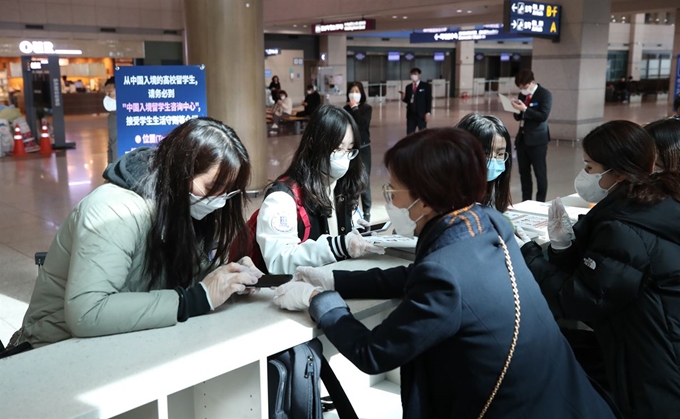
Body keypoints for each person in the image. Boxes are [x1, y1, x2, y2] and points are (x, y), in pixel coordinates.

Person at [272, 128, 616, 419]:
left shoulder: (445, 272)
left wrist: (321, 301)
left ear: (424, 200)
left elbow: (375, 352)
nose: (388, 196)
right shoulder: (485, 222)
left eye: (394, 189)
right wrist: (335, 279)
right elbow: (420, 276)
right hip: (562, 395)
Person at [3, 118, 262, 351]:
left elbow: (181, 277)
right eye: (212, 187)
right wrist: (193, 300)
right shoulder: (114, 210)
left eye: (228, 192)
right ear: (181, 170)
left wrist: (228, 278)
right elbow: (87, 312)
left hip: (120, 341)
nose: (219, 201)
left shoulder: (183, 208)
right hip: (55, 348)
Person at [518, 120, 680, 419]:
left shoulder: (624, 225)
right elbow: (600, 275)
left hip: (656, 362)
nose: (584, 176)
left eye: (590, 167)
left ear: (617, 171)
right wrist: (564, 248)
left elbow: (584, 299)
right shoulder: (651, 202)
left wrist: (530, 256)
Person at [256, 105, 380, 275]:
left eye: (349, 149)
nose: (344, 157)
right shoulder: (283, 198)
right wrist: (340, 246)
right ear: (314, 145)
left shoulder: (342, 186)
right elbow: (278, 261)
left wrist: (356, 230)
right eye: (337, 148)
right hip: (297, 294)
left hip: (334, 284)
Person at [455, 113, 513, 212]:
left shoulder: (494, 189)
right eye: (486, 153)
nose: (493, 159)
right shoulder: (450, 196)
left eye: (500, 154)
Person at [511, 68, 552, 202]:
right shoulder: (522, 95)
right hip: (522, 139)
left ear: (532, 82)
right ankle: (526, 200)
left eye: (525, 87)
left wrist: (525, 109)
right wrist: (515, 109)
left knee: (540, 174)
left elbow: (542, 116)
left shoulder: (544, 94)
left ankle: (540, 202)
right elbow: (519, 117)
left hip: (538, 140)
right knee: (524, 174)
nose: (523, 90)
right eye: (521, 88)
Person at [344, 82, 373, 221]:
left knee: (365, 180)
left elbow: (362, 125)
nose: (354, 93)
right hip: (350, 149)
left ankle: (367, 213)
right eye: (351, 91)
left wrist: (355, 108)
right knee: (351, 179)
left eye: (357, 91)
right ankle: (352, 211)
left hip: (364, 148)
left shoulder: (367, 109)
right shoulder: (345, 109)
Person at [401, 67, 431, 135]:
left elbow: (428, 100)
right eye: (412, 74)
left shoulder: (425, 86)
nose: (413, 76)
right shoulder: (408, 87)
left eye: (415, 74)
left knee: (423, 134)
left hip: (421, 114)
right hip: (411, 115)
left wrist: (428, 112)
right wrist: (403, 98)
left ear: (419, 75)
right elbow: (408, 100)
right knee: (410, 134)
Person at [103, 77, 118, 164]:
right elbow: (111, 145)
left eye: (110, 93)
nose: (107, 98)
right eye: (106, 94)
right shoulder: (112, 117)